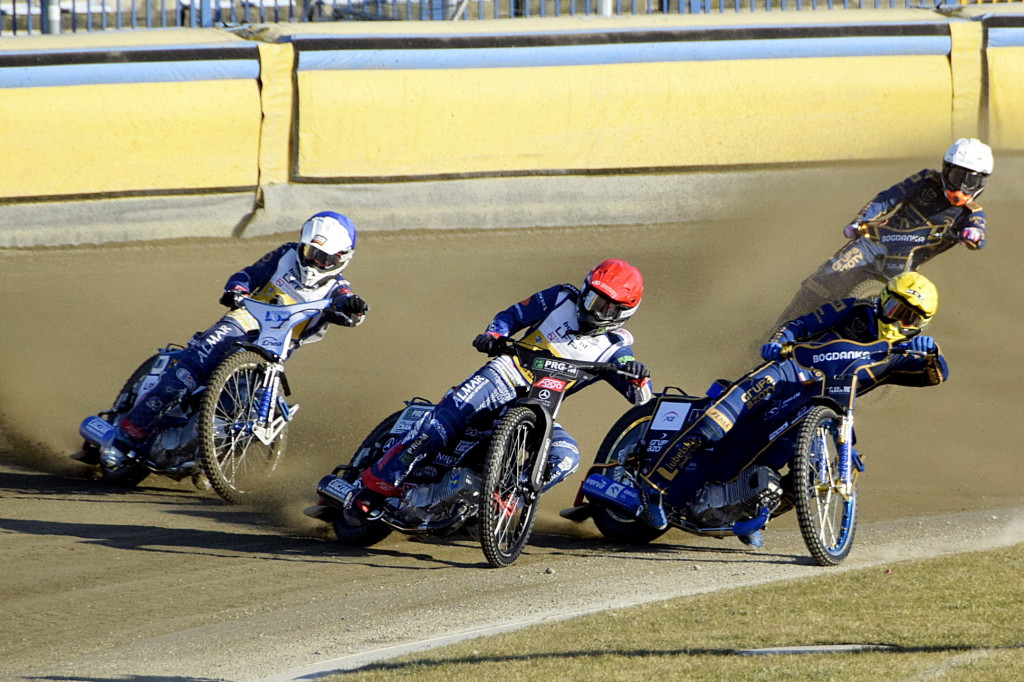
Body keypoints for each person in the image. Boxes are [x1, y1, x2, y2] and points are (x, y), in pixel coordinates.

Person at [637, 271, 949, 538]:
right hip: (787, 374)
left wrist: (931, 354)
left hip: (822, 407)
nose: (898, 318)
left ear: (921, 324)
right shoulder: (854, 310)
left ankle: (751, 514)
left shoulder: (901, 354)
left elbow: (937, 375)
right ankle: (654, 486)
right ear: (883, 299)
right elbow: (800, 324)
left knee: (821, 470)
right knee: (717, 422)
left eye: (910, 316)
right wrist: (778, 340)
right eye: (895, 307)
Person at [344, 258, 654, 523]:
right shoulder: (561, 296)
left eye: (606, 308)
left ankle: (501, 504)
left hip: (541, 408)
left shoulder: (617, 347)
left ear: (623, 313)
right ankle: (372, 487)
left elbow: (641, 396)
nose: (594, 311)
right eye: (592, 299)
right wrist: (494, 334)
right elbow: (513, 316)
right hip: (505, 373)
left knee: (567, 456)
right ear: (584, 289)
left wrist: (638, 376)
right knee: (439, 426)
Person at [97, 211, 369, 468]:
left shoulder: (338, 288)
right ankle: (125, 436)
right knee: (188, 372)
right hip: (242, 322)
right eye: (310, 252)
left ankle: (204, 460)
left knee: (242, 408)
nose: (314, 262)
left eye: (324, 258)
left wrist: (354, 308)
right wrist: (237, 289)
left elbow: (348, 305)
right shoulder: (285, 254)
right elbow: (247, 275)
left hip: (276, 348)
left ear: (343, 257)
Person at [777, 138, 992, 323]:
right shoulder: (926, 179)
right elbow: (890, 197)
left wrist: (972, 235)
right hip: (874, 241)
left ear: (981, 181)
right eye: (957, 177)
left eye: (971, 180)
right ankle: (781, 327)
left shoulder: (971, 213)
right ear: (946, 169)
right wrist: (860, 220)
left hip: (905, 262)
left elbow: (978, 234)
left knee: (904, 308)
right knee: (826, 278)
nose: (961, 187)